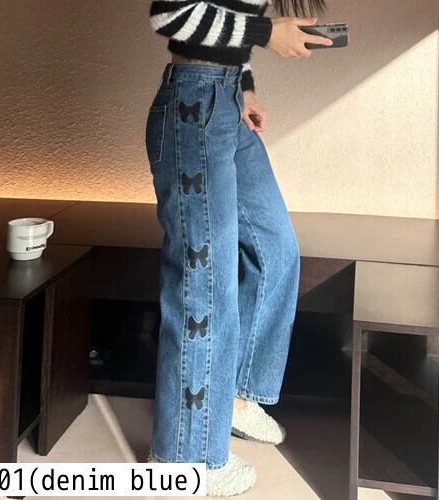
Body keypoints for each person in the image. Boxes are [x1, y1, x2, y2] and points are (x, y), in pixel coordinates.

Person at [144, 0, 331, 495]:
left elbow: (224, 19)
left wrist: (244, 86)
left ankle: (230, 398)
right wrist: (267, 32)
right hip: (193, 105)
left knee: (275, 250)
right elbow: (170, 15)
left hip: (223, 100)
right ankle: (182, 461)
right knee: (204, 284)